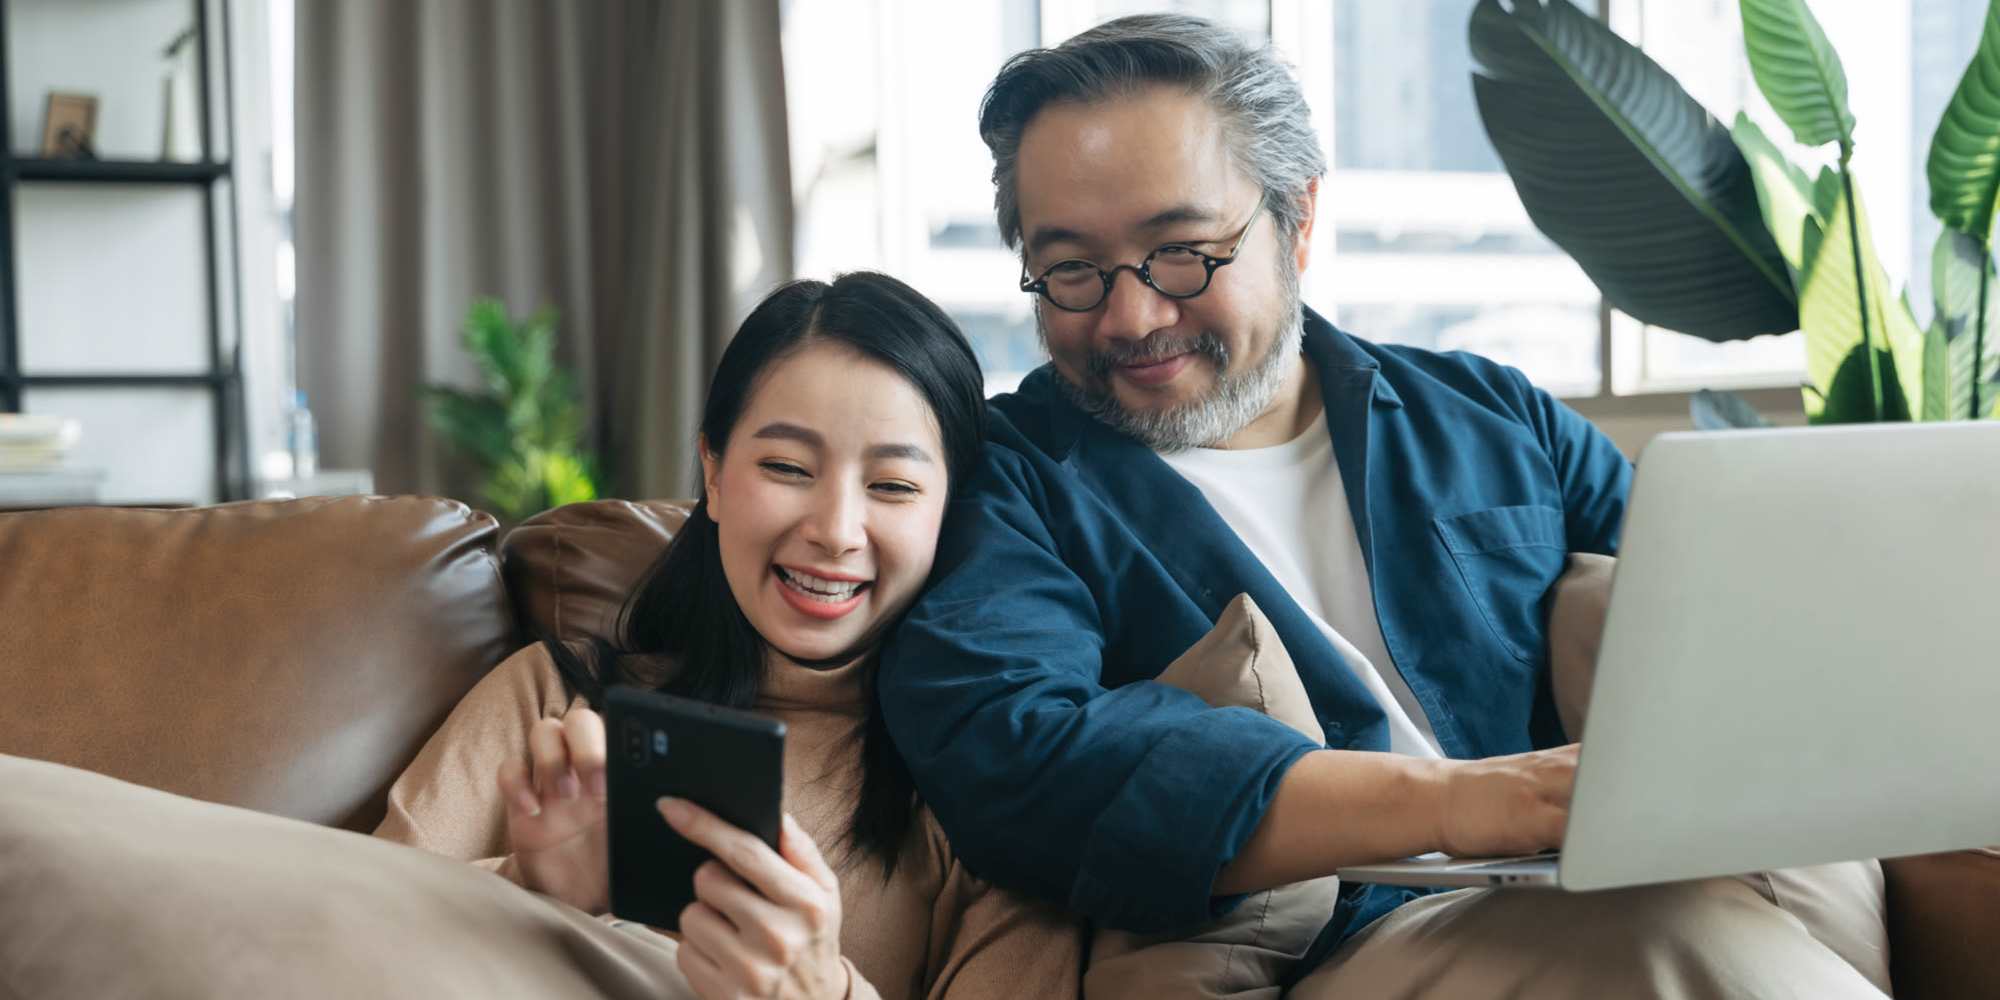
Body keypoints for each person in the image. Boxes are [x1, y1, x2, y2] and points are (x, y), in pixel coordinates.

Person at [877, 14, 1892, 998]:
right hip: (1348, 941)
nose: (1133, 314)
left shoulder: (1487, 414)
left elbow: (1715, 615)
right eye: (1069, 270)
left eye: (1181, 251)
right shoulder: (1004, 487)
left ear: (1298, 217)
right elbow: (1017, 755)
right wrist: (1462, 803)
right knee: (1684, 942)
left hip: (1593, 890)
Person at [376, 272, 1083, 1000]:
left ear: (949, 510)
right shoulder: (556, 701)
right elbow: (341, 944)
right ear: (712, 472)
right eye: (786, 467)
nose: (835, 532)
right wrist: (526, 890)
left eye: (893, 486)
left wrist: (824, 992)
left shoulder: (996, 785)